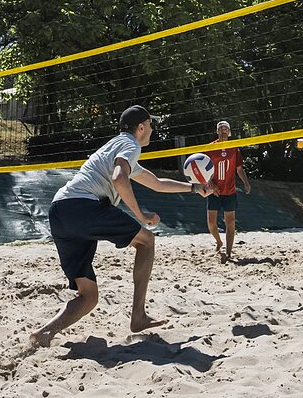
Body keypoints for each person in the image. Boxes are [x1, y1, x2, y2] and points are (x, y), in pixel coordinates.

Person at [31, 105, 211, 347]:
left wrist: (193, 188)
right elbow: (118, 177)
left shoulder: (117, 147)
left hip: (60, 212)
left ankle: (43, 333)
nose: (153, 129)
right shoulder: (130, 144)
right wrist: (141, 215)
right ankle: (138, 316)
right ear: (140, 127)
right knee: (147, 240)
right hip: (83, 207)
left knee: (89, 297)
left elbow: (156, 183)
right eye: (150, 124)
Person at [206, 119, 251, 263]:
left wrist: (246, 183)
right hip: (214, 191)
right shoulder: (210, 148)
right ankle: (219, 242)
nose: (223, 130)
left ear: (229, 132)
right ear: (217, 131)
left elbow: (238, 168)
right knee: (211, 223)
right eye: (221, 128)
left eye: (226, 128)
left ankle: (229, 252)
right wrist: (211, 184)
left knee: (230, 223)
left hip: (229, 191)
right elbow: (203, 169)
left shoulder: (234, 148)